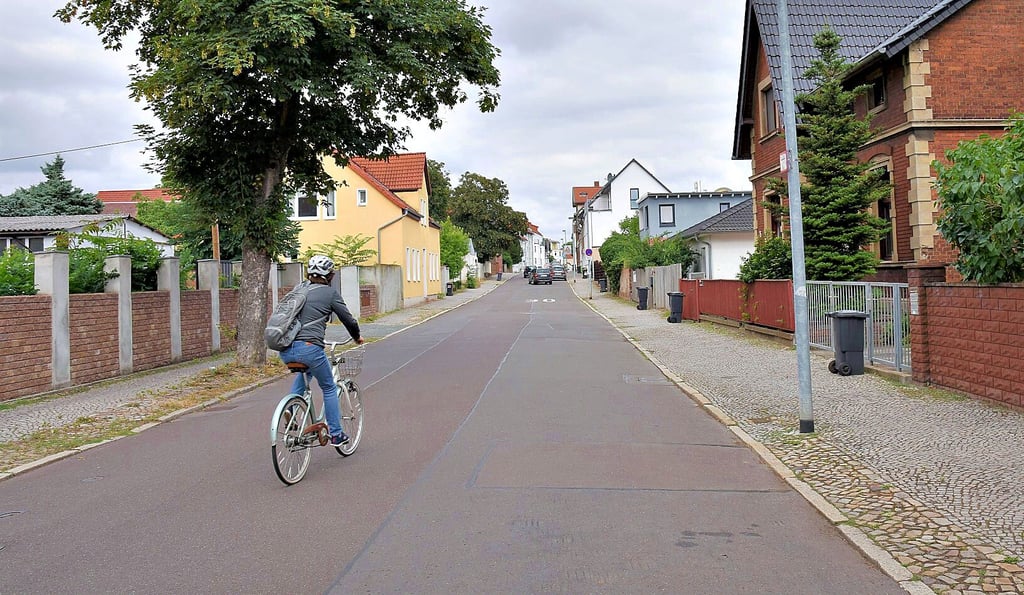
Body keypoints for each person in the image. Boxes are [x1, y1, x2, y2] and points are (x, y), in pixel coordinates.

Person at [278, 254, 364, 446]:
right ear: (330, 275)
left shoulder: (299, 289)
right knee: (329, 387)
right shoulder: (329, 293)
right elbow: (348, 319)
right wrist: (357, 336)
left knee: (305, 373)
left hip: (285, 348)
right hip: (309, 348)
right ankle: (336, 433)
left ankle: (291, 407)